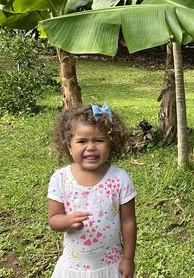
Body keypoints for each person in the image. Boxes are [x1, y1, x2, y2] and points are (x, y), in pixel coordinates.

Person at [47, 104, 137, 278]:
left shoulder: (119, 178)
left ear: (111, 143)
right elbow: (53, 219)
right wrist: (67, 221)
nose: (91, 147)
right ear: (69, 146)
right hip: (74, 267)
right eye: (82, 141)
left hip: (111, 265)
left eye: (99, 140)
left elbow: (128, 222)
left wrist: (128, 258)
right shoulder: (61, 178)